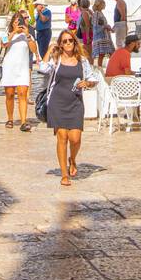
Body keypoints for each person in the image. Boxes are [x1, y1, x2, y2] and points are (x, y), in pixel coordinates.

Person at [37, 29, 96, 187]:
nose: (68, 43)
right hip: (57, 102)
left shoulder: (82, 60)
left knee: (75, 138)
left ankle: (73, 159)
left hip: (75, 102)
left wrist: (87, 83)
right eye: (64, 41)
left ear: (74, 42)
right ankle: (64, 174)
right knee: (62, 137)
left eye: (70, 40)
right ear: (60, 44)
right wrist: (49, 50)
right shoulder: (56, 59)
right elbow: (42, 68)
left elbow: (92, 78)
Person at [0, 11, 38, 130]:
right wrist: (14, 32)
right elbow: (3, 44)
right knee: (9, 94)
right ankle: (10, 119)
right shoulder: (7, 34)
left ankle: (23, 121)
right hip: (9, 67)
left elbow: (34, 49)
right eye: (15, 22)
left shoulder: (28, 36)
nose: (17, 24)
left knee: (22, 94)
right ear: (12, 23)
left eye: (19, 22)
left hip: (22, 68)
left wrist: (26, 35)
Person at [91, 0, 114, 67]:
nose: (105, 5)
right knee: (103, 54)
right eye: (103, 3)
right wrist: (105, 27)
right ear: (100, 4)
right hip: (101, 38)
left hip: (104, 37)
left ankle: (111, 67)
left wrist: (107, 27)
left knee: (107, 54)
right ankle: (101, 69)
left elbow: (101, 24)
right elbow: (95, 26)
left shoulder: (100, 13)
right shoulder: (97, 13)